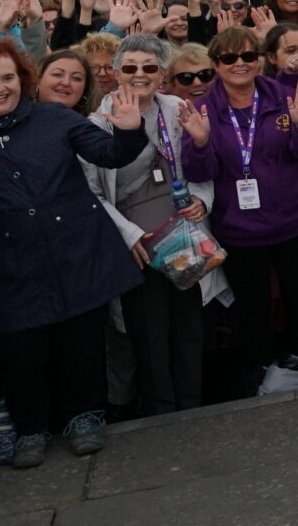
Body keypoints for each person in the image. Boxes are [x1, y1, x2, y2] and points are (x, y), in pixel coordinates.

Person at [0, 38, 149, 466]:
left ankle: (84, 417)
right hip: (10, 262)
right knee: (21, 350)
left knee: (82, 342)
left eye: (7, 78)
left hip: (76, 253)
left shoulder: (53, 117)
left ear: (23, 80)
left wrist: (129, 131)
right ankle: (30, 428)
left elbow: (108, 153)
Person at [180, 24, 298, 387]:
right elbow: (202, 172)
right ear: (216, 64)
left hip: (292, 221)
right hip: (240, 230)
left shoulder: (286, 97)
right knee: (253, 310)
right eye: (230, 58)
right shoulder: (202, 110)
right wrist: (199, 143)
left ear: (261, 60)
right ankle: (261, 376)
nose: (240, 63)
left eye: (248, 55)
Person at [85, 35, 215, 416]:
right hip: (139, 242)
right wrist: (128, 235)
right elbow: (93, 193)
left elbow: (200, 163)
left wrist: (201, 199)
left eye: (149, 67)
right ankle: (160, 410)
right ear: (115, 73)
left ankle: (193, 404)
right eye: (130, 68)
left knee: (189, 325)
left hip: (183, 234)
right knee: (148, 330)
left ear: (162, 74)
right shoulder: (97, 124)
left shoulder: (178, 107)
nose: (139, 75)